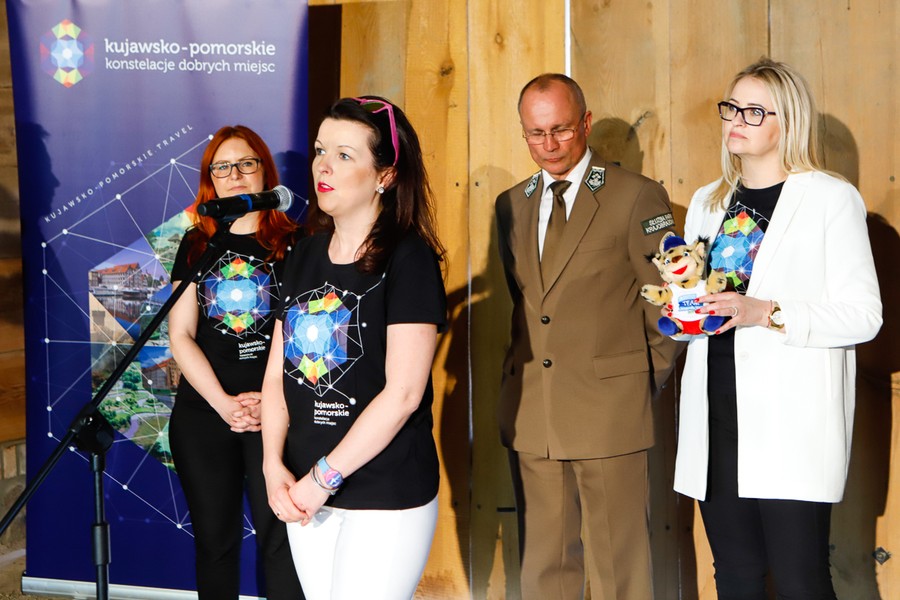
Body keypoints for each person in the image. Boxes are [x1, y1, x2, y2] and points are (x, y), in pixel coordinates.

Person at [674, 58, 883, 599]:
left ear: (788, 121)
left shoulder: (829, 198)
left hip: (792, 423)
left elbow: (864, 314)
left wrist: (765, 312)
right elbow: (698, 301)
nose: (735, 120)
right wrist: (682, 314)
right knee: (735, 577)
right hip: (717, 416)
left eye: (754, 111)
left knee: (799, 581)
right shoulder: (708, 201)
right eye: (731, 108)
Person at [494, 73, 681, 599]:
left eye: (561, 130)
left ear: (586, 124)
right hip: (534, 415)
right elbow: (527, 306)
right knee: (543, 574)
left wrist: (635, 383)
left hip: (610, 413)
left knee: (621, 572)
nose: (549, 145)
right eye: (536, 133)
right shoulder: (510, 204)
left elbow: (668, 303)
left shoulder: (635, 196)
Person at [260, 96, 447, 600]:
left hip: (382, 491)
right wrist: (273, 465)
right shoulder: (302, 255)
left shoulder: (409, 259)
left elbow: (403, 395)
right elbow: (277, 374)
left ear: (385, 175)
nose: (323, 165)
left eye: (345, 155)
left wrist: (323, 477)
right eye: (321, 150)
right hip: (304, 490)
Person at [168, 125, 304, 600]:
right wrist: (225, 404)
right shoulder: (197, 244)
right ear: (210, 180)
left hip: (279, 414)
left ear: (265, 171)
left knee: (281, 541)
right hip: (206, 414)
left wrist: (270, 401)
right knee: (215, 544)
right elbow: (180, 334)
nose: (235, 175)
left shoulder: (298, 244)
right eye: (222, 167)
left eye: (246, 163)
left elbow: (306, 336)